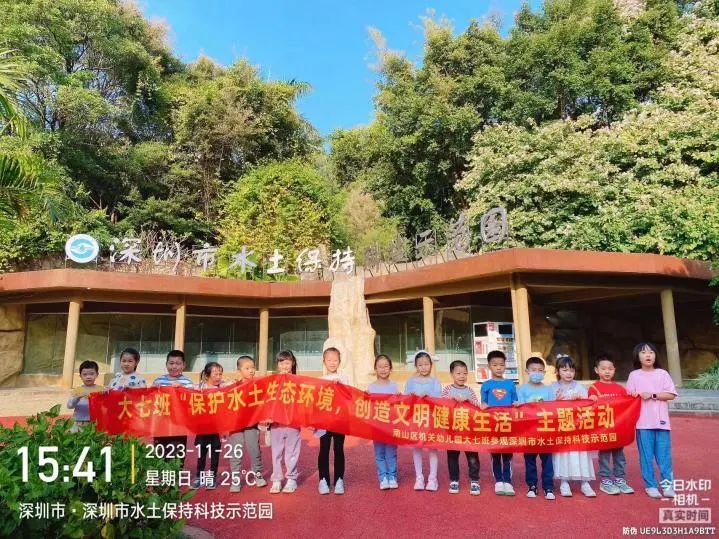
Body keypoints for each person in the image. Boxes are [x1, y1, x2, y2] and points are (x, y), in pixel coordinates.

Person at [626, 342, 677, 499]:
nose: (648, 355)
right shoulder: (634, 375)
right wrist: (633, 395)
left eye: (651, 352)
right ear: (638, 357)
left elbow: (671, 394)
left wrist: (652, 395)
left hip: (662, 423)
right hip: (642, 424)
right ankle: (651, 486)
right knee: (646, 457)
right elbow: (628, 396)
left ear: (655, 356)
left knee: (664, 457)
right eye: (643, 352)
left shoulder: (662, 374)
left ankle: (668, 486)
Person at [588, 353, 635, 495]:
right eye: (603, 369)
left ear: (614, 370)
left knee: (619, 455)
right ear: (596, 370)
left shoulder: (620, 388)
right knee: (604, 455)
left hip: (618, 428)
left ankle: (620, 479)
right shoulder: (593, 388)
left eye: (610, 369)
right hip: (603, 429)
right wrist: (591, 399)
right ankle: (605, 480)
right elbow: (589, 406)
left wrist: (633, 396)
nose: (607, 371)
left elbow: (627, 404)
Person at [550, 355, 597, 497]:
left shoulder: (580, 387)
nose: (568, 373)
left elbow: (588, 405)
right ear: (557, 371)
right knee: (563, 454)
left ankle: (585, 482)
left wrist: (586, 399)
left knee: (581, 454)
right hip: (562, 428)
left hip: (578, 428)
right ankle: (564, 482)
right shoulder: (552, 387)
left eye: (571, 370)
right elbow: (547, 407)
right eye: (564, 370)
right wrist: (555, 401)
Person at [480, 350, 518, 496]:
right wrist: (483, 405)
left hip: (508, 424)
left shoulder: (510, 384)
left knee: (507, 453)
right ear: (489, 366)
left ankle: (508, 481)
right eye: (495, 365)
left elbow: (515, 401)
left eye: (501, 365)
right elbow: (483, 403)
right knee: (495, 453)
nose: (498, 368)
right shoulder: (486, 385)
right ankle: (498, 481)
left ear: (505, 366)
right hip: (493, 425)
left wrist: (516, 404)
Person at [517, 356, 556, 500]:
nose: (537, 373)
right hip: (529, 431)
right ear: (527, 371)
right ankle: (532, 486)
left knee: (548, 461)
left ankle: (548, 487)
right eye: (534, 370)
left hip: (545, 431)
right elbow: (520, 409)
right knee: (530, 461)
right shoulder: (522, 389)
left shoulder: (548, 390)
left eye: (540, 370)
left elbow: (554, 408)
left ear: (544, 373)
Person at [404, 350, 442, 491]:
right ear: (416, 366)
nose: (423, 367)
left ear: (431, 365)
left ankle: (433, 478)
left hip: (431, 419)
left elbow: (439, 399)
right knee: (417, 447)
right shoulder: (410, 382)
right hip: (416, 418)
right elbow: (405, 398)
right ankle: (419, 477)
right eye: (420, 365)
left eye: (426, 364)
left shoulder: (435, 382)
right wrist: (411, 396)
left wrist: (430, 395)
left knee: (432, 447)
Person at [227, 355, 267, 493]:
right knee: (235, 451)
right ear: (239, 370)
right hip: (235, 425)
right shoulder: (233, 386)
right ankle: (235, 480)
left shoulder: (258, 385)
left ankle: (258, 474)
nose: (251, 370)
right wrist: (228, 387)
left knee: (254, 450)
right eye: (247, 368)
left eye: (253, 367)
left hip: (251, 424)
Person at [441, 360, 481, 496]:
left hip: (469, 430)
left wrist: (468, 400)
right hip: (453, 430)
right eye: (458, 373)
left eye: (464, 373)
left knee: (472, 456)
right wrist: (452, 398)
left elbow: (477, 405)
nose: (462, 376)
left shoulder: (469, 390)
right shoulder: (447, 389)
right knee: (452, 456)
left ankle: (475, 480)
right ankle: (454, 480)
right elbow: (442, 403)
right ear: (452, 374)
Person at [317, 347, 350, 495]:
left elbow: (349, 397)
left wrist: (341, 386)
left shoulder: (344, 378)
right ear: (324, 361)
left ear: (339, 361)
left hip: (339, 420)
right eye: (329, 360)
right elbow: (316, 401)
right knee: (324, 449)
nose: (332, 363)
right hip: (324, 421)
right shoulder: (320, 380)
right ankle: (323, 480)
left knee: (338, 449)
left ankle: (339, 480)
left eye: (335, 360)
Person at [152, 350, 194, 462]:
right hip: (161, 425)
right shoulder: (158, 381)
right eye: (171, 363)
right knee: (160, 455)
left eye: (178, 363)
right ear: (166, 364)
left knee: (177, 457)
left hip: (179, 426)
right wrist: (153, 390)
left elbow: (191, 402)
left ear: (184, 365)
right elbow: (151, 401)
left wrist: (182, 389)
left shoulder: (188, 382)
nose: (174, 366)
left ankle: (175, 473)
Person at [269, 350, 302, 494]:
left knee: (292, 452)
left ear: (292, 363)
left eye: (287, 363)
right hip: (276, 424)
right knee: (276, 453)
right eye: (281, 363)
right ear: (277, 364)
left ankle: (291, 478)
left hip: (293, 423)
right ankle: (276, 479)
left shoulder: (298, 381)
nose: (284, 366)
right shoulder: (271, 381)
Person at [192, 362, 226, 490]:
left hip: (216, 429)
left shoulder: (222, 387)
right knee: (201, 454)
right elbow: (185, 391)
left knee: (215, 454)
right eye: (215, 374)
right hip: (202, 428)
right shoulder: (199, 387)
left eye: (220, 374)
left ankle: (212, 477)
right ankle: (199, 477)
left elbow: (235, 388)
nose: (218, 377)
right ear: (207, 375)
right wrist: (178, 387)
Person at [367, 354, 399, 490]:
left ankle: (392, 476)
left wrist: (399, 398)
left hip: (391, 425)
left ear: (390, 368)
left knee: (391, 452)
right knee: (379, 453)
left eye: (386, 366)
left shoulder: (394, 386)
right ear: (375, 369)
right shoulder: (371, 387)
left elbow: (399, 406)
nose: (383, 369)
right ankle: (383, 478)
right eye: (380, 367)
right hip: (377, 425)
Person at [67, 360, 104, 432]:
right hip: (78, 421)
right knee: (77, 437)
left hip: (95, 421)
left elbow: (106, 405)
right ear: (80, 376)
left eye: (91, 374)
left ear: (97, 374)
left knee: (93, 437)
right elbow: (69, 405)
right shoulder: (77, 390)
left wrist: (105, 394)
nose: (88, 377)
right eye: (85, 374)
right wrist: (78, 397)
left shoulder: (101, 389)